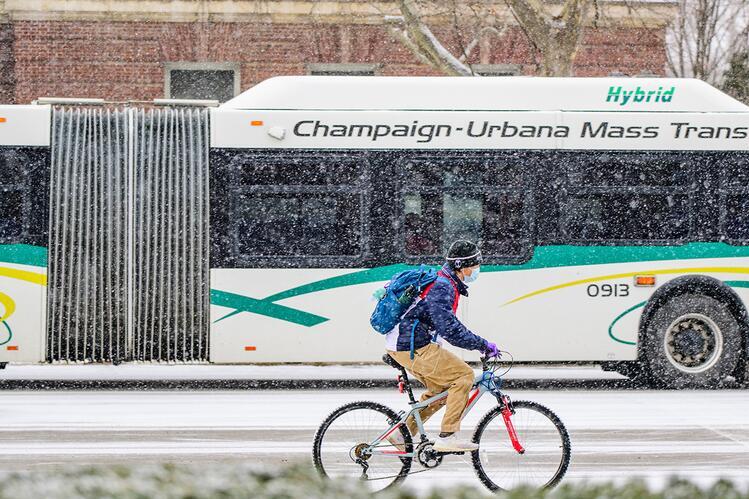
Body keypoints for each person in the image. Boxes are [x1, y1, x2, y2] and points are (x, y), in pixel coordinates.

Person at [385, 240, 499, 452]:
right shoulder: (442, 286)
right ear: (461, 266)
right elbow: (450, 329)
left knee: (443, 391)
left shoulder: (446, 282)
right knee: (463, 376)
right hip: (411, 345)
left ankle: (403, 433)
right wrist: (481, 344)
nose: (477, 270)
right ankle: (448, 436)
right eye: (474, 265)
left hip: (407, 344)